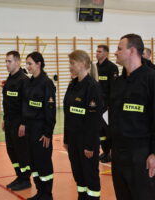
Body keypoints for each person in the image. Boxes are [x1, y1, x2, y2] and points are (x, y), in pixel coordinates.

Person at [110, 34, 155, 200]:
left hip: (142, 155)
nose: (115, 52)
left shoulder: (154, 80)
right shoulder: (118, 82)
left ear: (132, 51)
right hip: (119, 154)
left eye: (119, 49)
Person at [64, 50, 102, 200]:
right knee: (78, 174)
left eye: (72, 63)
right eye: (70, 63)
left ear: (84, 64)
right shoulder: (72, 85)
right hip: (73, 140)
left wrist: (90, 145)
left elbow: (94, 120)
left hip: (86, 141)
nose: (70, 67)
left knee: (90, 175)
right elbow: (68, 114)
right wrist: (66, 139)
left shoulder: (93, 87)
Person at [22, 52, 56, 200]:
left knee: (43, 164)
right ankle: (40, 192)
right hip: (30, 129)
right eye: (27, 63)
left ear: (39, 64)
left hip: (41, 130)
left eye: (30, 63)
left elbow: (50, 110)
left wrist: (48, 132)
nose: (27, 66)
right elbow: (26, 106)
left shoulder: (46, 83)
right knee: (34, 163)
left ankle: (47, 194)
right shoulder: (30, 82)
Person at [2, 50, 31, 190]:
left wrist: (24, 123)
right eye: (6, 61)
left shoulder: (24, 80)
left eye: (9, 61)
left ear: (17, 62)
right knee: (11, 150)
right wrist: (4, 119)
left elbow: (26, 105)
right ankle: (19, 176)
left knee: (21, 152)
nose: (7, 64)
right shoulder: (9, 79)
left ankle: (26, 179)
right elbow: (7, 102)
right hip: (9, 122)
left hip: (19, 123)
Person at [96, 44, 118, 163]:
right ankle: (105, 151)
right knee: (100, 131)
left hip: (107, 105)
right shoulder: (94, 67)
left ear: (106, 53)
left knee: (108, 130)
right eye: (97, 51)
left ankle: (111, 152)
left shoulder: (112, 67)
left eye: (99, 51)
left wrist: (110, 104)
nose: (97, 53)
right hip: (96, 105)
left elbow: (114, 88)